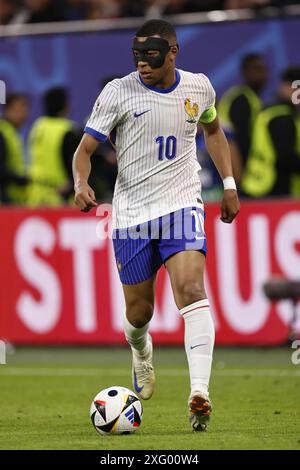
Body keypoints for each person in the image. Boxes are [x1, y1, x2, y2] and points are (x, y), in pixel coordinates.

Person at [73, 19, 240, 432]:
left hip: (182, 204)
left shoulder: (199, 87)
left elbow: (213, 129)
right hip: (131, 215)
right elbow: (85, 149)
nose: (143, 64)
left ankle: (199, 392)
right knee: (139, 312)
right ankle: (141, 351)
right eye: (137, 56)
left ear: (173, 52)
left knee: (191, 291)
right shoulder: (117, 92)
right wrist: (80, 181)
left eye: (152, 56)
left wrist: (229, 183)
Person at [242, 66, 300, 198]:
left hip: (255, 183)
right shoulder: (281, 116)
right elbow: (285, 157)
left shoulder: (270, 111)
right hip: (272, 187)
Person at [27, 87, 82, 206]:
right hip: (60, 194)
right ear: (65, 106)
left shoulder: (38, 126)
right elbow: (74, 161)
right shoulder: (68, 130)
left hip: (35, 193)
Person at [218, 53, 268, 169]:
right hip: (232, 166)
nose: (262, 74)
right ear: (245, 72)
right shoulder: (241, 99)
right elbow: (241, 139)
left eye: (263, 69)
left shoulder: (253, 98)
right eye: (256, 69)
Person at [0, 93, 29, 204]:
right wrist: (18, 179)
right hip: (4, 197)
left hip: (15, 198)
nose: (24, 112)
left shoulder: (12, 132)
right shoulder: (2, 131)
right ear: (8, 109)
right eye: (20, 108)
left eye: (26, 108)